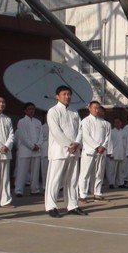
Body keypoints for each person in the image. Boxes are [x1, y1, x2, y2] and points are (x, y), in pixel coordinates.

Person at [44, 85, 86, 218]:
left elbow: (80, 129)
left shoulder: (74, 112)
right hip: (59, 150)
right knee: (54, 180)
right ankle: (51, 206)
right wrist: (69, 144)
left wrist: (77, 143)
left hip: (74, 151)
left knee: (72, 179)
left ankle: (72, 205)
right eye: (64, 94)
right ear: (57, 96)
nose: (67, 97)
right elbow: (56, 131)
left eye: (69, 94)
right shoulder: (53, 111)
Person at [79, 101, 110, 202]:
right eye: (95, 108)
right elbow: (86, 136)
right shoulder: (85, 121)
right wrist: (97, 146)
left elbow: (107, 137)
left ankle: (97, 193)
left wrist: (103, 146)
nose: (97, 110)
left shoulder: (105, 123)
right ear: (89, 108)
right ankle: (82, 195)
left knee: (99, 173)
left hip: (101, 152)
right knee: (85, 173)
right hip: (89, 151)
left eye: (98, 108)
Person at [15, 102, 42, 197]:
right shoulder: (21, 122)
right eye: (29, 109)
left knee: (35, 172)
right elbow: (23, 137)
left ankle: (35, 189)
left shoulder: (38, 122)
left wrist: (38, 144)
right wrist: (31, 146)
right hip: (25, 149)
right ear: (25, 110)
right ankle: (19, 190)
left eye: (33, 109)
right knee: (22, 170)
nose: (31, 111)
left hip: (37, 150)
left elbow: (41, 136)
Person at [106, 116, 128, 189]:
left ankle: (121, 183)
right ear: (114, 124)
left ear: (121, 123)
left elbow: (127, 143)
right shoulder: (111, 132)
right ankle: (111, 183)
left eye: (119, 122)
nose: (117, 124)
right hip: (113, 154)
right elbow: (108, 143)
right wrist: (109, 153)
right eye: (116, 122)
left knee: (121, 170)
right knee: (112, 170)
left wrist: (127, 153)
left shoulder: (124, 132)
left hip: (122, 153)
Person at [39, 119, 49, 192]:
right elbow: (40, 139)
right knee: (45, 169)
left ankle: (60, 185)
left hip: (54, 148)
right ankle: (45, 185)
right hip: (45, 148)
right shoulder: (42, 127)